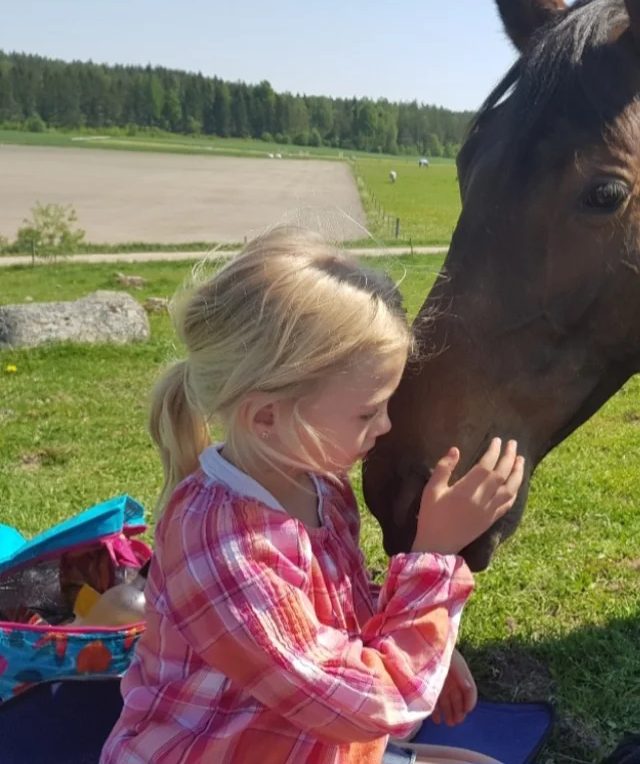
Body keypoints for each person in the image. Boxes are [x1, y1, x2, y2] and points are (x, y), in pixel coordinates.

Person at [101, 226, 524, 764]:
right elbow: (367, 706)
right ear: (267, 417)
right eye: (367, 412)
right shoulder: (221, 545)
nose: (386, 425)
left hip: (301, 738)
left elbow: (341, 613)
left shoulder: (319, 483)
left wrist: (431, 648)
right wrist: (434, 559)